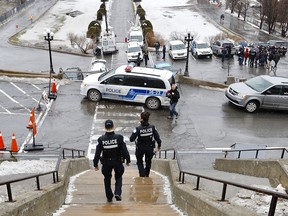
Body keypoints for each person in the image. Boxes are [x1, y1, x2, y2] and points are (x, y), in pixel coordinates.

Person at [93, 119, 131, 202]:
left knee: (107, 178)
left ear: (105, 127)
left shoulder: (101, 139)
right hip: (117, 161)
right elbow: (125, 151)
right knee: (118, 177)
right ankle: (117, 193)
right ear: (113, 126)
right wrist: (128, 160)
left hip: (106, 162)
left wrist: (95, 164)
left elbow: (97, 153)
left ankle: (109, 196)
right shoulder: (120, 138)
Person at [130, 111, 161, 177]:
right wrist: (159, 145)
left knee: (139, 162)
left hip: (140, 148)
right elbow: (157, 137)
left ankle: (142, 174)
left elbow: (131, 139)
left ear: (141, 119)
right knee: (148, 162)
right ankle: (146, 174)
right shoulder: (152, 127)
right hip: (149, 147)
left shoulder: (138, 129)